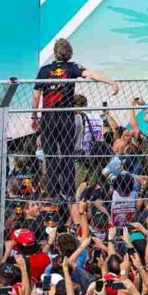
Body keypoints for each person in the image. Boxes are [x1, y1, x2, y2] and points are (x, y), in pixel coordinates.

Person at [32, 38, 118, 203]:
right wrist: (111, 82)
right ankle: (69, 193)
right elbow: (91, 74)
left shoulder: (44, 70)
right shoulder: (72, 67)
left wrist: (34, 117)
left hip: (48, 119)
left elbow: (35, 97)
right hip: (66, 119)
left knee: (50, 156)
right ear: (69, 53)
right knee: (66, 156)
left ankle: (53, 193)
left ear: (55, 53)